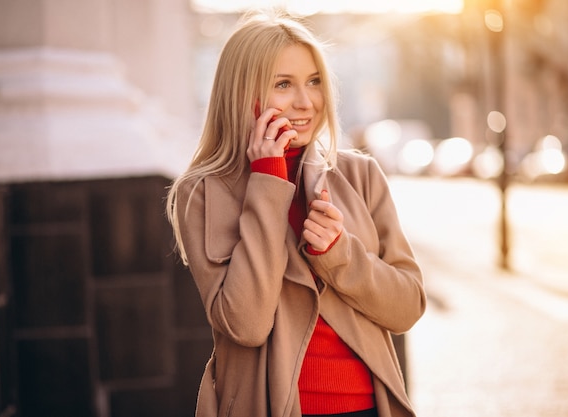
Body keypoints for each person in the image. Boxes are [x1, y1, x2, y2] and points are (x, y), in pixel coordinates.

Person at [165, 9, 426, 417]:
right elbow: (246, 326)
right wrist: (267, 183)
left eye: (314, 82)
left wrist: (340, 255)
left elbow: (407, 307)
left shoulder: (360, 174)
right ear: (243, 95)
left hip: (369, 407)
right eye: (283, 85)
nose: (306, 102)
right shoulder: (202, 193)